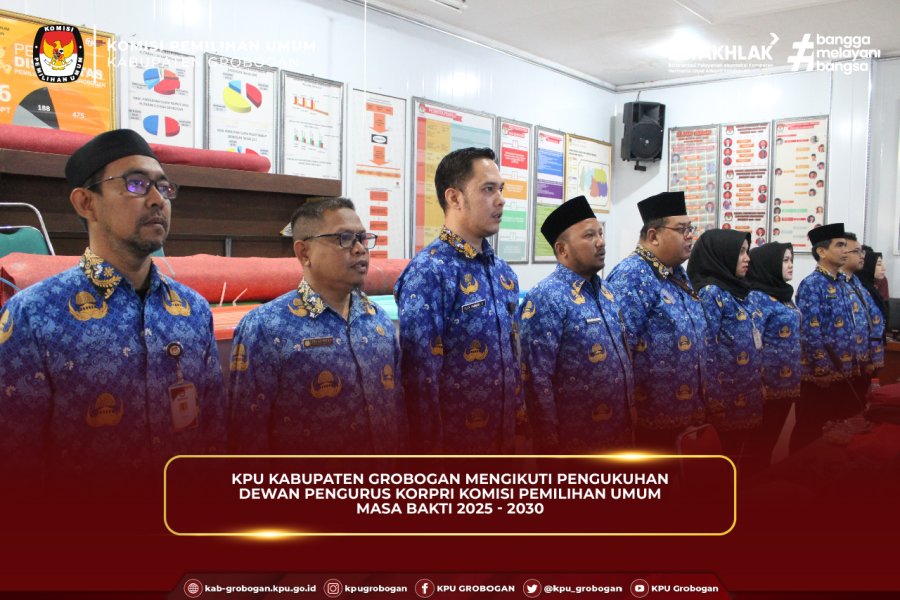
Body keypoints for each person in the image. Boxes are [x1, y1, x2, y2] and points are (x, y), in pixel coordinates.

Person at [0, 129, 226, 482]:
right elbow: (16, 462)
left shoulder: (192, 310)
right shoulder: (34, 315)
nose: (157, 199)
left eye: (164, 187)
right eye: (136, 184)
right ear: (85, 203)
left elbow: (215, 435)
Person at [228, 198, 405, 453]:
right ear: (304, 253)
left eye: (362, 238)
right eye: (344, 238)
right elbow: (246, 436)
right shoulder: (266, 327)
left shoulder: (378, 321)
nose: (360, 249)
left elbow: (397, 410)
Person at [395, 147, 522, 453]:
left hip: (505, 444)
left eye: (501, 189)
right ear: (454, 198)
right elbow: (420, 378)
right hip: (455, 452)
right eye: (488, 189)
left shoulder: (503, 272)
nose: (501, 200)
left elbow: (514, 358)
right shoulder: (430, 272)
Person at [518, 196, 633, 453]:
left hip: (619, 437)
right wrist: (550, 446)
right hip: (575, 445)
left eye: (600, 233)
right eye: (589, 235)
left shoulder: (607, 292)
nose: (601, 242)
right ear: (562, 250)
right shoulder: (546, 297)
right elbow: (536, 379)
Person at [607, 192, 708, 452]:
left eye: (691, 229)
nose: (690, 236)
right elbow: (619, 350)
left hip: (685, 413)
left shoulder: (677, 273)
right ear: (653, 236)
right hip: (649, 419)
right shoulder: (632, 275)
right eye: (682, 230)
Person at [688, 229, 762, 466]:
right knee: (724, 464)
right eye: (740, 252)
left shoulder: (738, 290)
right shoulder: (711, 293)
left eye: (747, 251)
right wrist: (714, 400)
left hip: (747, 393)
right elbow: (707, 347)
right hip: (725, 399)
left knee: (746, 461)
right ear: (722, 255)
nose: (747, 258)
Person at [791, 223, 858, 452]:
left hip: (842, 371)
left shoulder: (841, 283)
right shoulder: (812, 284)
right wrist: (821, 369)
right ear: (821, 251)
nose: (845, 251)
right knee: (810, 429)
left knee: (833, 430)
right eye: (839, 245)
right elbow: (810, 330)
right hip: (819, 375)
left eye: (845, 245)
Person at [744, 242, 801, 473]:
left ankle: (762, 481)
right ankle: (751, 486)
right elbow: (753, 341)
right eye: (785, 260)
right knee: (759, 444)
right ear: (768, 264)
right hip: (767, 385)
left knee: (771, 441)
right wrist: (758, 380)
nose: (790, 265)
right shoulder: (757, 297)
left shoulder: (784, 294)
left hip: (788, 383)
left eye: (791, 260)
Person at [841, 234, 883, 398]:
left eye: (862, 251)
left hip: (863, 362)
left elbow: (873, 319)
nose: (862, 256)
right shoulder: (830, 284)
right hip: (842, 365)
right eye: (857, 251)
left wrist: (873, 358)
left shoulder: (857, 283)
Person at [859, 245, 889, 345]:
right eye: (879, 264)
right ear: (869, 265)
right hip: (864, 341)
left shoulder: (872, 286)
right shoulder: (860, 287)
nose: (884, 268)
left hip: (876, 339)